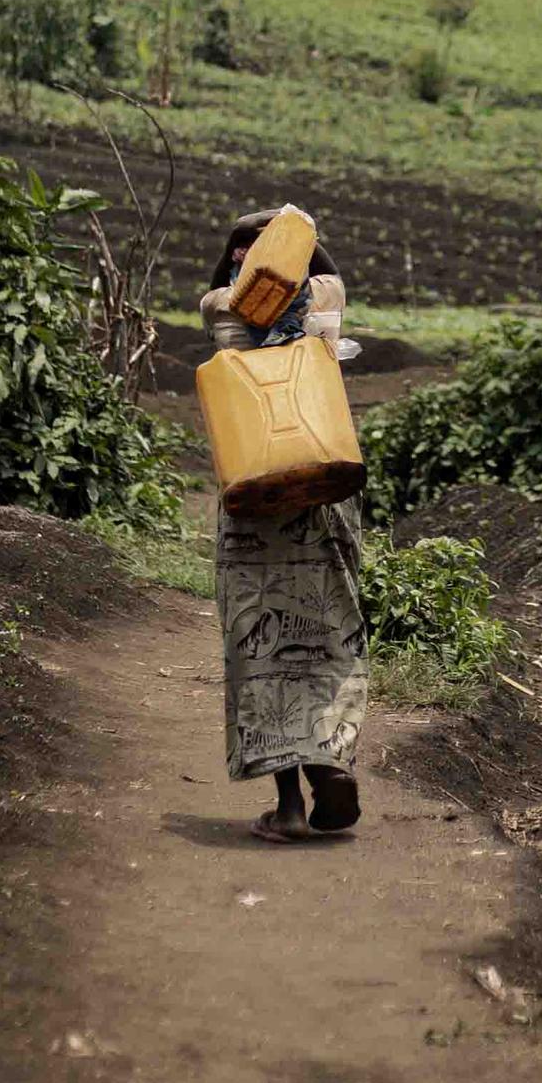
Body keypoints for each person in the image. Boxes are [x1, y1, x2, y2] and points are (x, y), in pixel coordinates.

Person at [202, 207, 367, 843]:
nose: (246, 259)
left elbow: (237, 292)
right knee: (331, 632)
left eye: (254, 248)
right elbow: (330, 275)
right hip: (324, 492)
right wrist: (300, 238)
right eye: (244, 248)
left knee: (258, 642)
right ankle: (329, 759)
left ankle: (290, 804)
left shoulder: (218, 307)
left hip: (253, 498)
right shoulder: (323, 296)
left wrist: (251, 256)